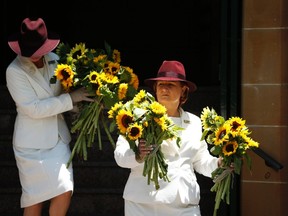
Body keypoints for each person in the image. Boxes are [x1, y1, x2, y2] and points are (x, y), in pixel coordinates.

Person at [6, 17, 94, 216]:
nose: (36, 56)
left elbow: (62, 93)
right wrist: (71, 98)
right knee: (34, 200)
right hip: (31, 146)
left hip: (57, 140)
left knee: (64, 188)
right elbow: (33, 109)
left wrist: (81, 105)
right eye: (31, 52)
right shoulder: (13, 71)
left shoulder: (56, 59)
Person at [114, 60, 222, 216]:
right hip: (144, 204)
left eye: (171, 85)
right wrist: (138, 155)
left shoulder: (194, 122)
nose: (164, 88)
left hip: (184, 205)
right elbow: (120, 157)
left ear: (183, 91)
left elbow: (200, 161)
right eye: (160, 85)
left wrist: (219, 163)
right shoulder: (136, 118)